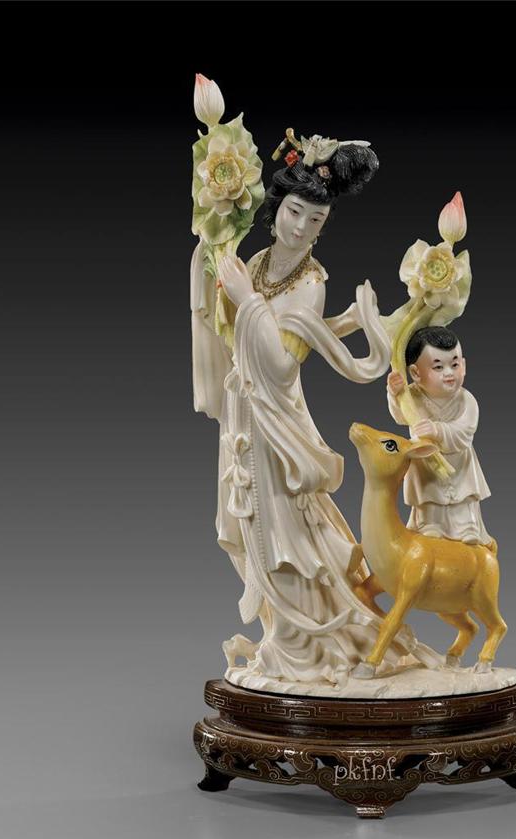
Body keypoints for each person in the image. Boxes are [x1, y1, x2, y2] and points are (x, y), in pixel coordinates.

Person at [192, 134, 439, 687]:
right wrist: (216, 269)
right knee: (248, 525)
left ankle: (304, 644)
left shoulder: (310, 284)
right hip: (244, 415)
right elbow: (230, 332)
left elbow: (282, 367)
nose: (301, 228)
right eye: (294, 212)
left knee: (287, 535)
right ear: (276, 207)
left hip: (278, 424)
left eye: (316, 219)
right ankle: (281, 636)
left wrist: (247, 301)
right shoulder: (257, 262)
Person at [386, 326, 494, 546]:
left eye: (454, 365)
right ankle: (429, 524)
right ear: (415, 373)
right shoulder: (412, 396)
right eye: (438, 367)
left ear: (464, 365)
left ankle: (468, 526)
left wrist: (437, 430)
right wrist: (395, 394)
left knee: (464, 497)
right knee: (429, 496)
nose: (449, 373)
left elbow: (465, 432)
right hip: (426, 462)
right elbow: (400, 416)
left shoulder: (466, 401)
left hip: (459, 462)